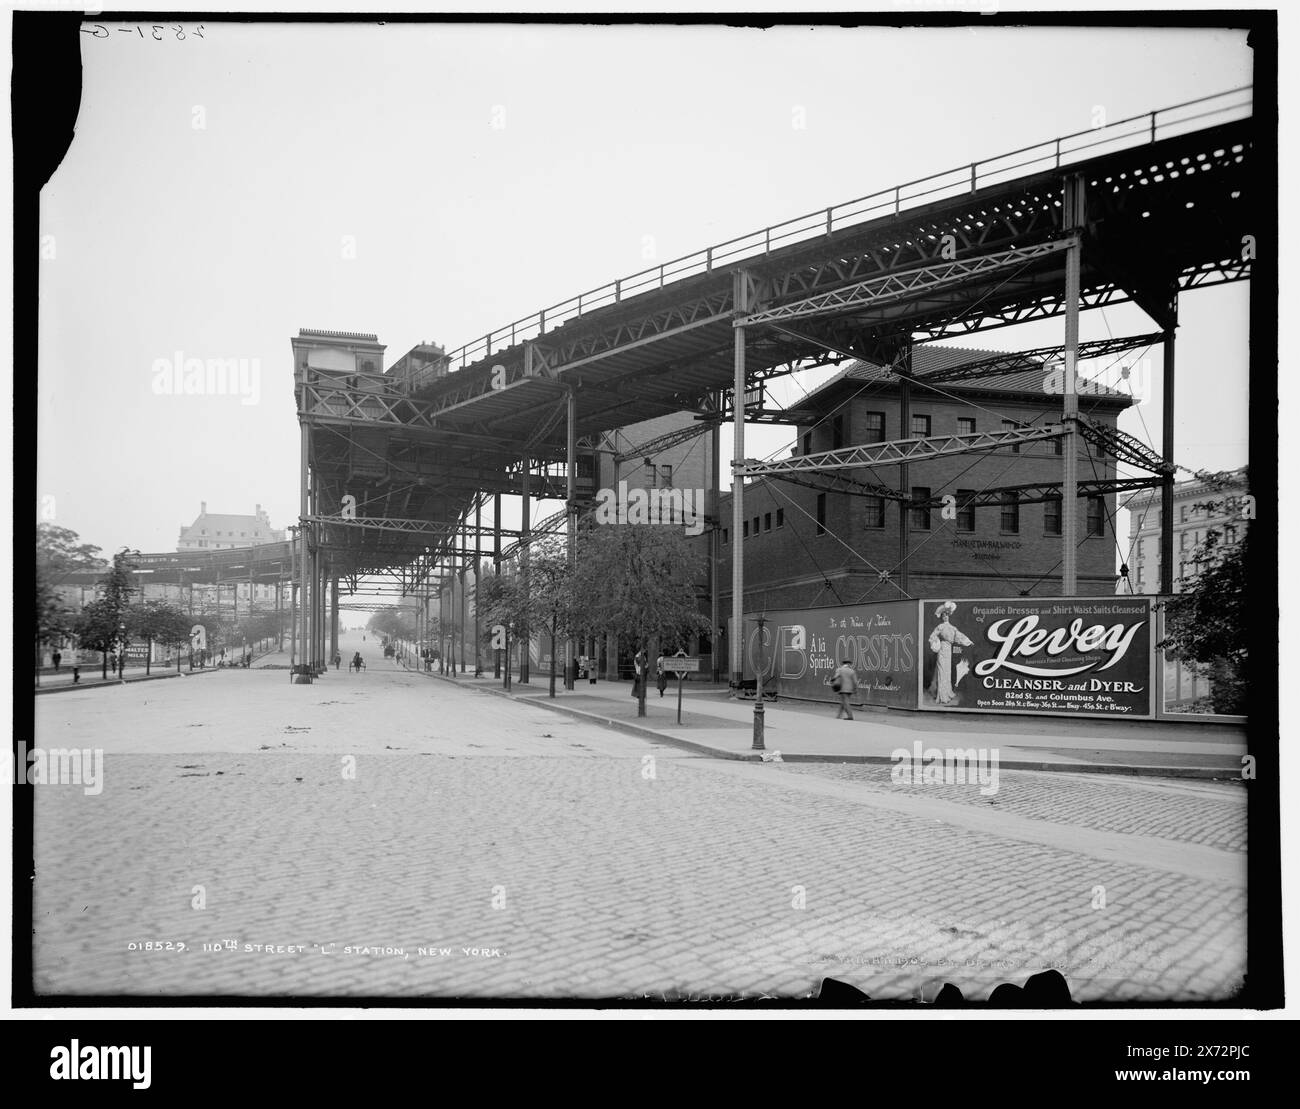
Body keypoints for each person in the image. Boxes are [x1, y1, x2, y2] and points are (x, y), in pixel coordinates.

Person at [927, 601, 973, 705]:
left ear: (949, 616)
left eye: (947, 615)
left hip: (949, 651)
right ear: (942, 617)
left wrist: (969, 642)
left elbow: (960, 636)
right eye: (943, 616)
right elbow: (932, 637)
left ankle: (948, 693)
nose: (945, 617)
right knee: (942, 672)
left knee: (947, 672)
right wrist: (936, 643)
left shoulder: (953, 628)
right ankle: (942, 696)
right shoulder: (940, 627)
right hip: (942, 651)